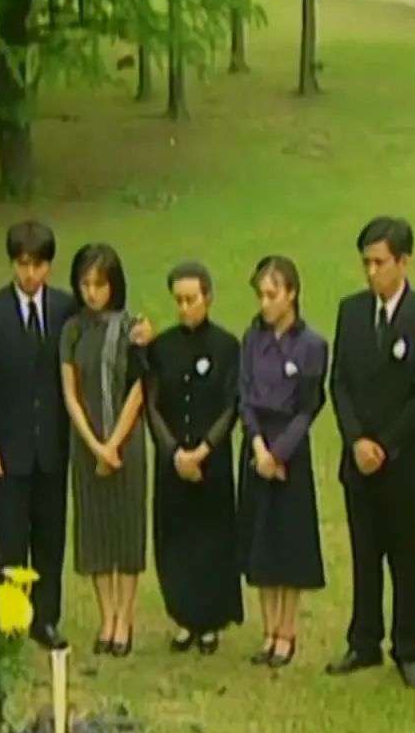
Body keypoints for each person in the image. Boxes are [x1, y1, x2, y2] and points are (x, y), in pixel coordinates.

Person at [326, 217, 415, 690]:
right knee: (363, 553)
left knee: (405, 557)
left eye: (380, 262)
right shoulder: (351, 312)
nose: (372, 272)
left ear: (404, 261)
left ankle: (408, 647)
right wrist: (356, 440)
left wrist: (386, 444)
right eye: (366, 263)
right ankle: (364, 641)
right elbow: (339, 381)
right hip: (358, 459)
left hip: (402, 462)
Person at [0, 221, 75, 650]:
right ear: (13, 263)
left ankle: (45, 619)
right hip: (8, 450)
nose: (31, 274)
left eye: (39, 265)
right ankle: (10, 618)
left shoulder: (65, 308)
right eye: (23, 264)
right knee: (10, 539)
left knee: (50, 538)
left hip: (52, 447)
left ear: (49, 266)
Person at [145, 262, 243, 654]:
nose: (185, 308)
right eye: (179, 300)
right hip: (173, 462)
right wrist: (173, 453)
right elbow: (152, 404)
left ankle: (211, 621)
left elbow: (231, 406)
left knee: (211, 539)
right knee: (176, 540)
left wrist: (203, 451)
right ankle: (184, 616)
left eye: (192, 299)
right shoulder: (162, 347)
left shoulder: (226, 346)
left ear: (208, 298)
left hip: (210, 461)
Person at [238, 256, 328, 668]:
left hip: (289, 449)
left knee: (288, 543)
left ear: (291, 294)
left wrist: (278, 454)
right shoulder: (252, 339)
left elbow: (309, 407)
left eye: (272, 294)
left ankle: (287, 631)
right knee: (261, 540)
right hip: (257, 445)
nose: (265, 303)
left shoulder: (311, 345)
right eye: (260, 295)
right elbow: (244, 397)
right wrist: (258, 449)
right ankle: (268, 628)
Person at [59, 243, 147, 657]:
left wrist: (113, 445)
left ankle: (125, 618)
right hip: (86, 445)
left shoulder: (132, 328)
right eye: (85, 284)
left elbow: (138, 389)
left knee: (126, 531)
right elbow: (70, 393)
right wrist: (95, 445)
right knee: (94, 532)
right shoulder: (72, 330)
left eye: (100, 284)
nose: (92, 292)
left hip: (127, 444)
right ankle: (106, 616)